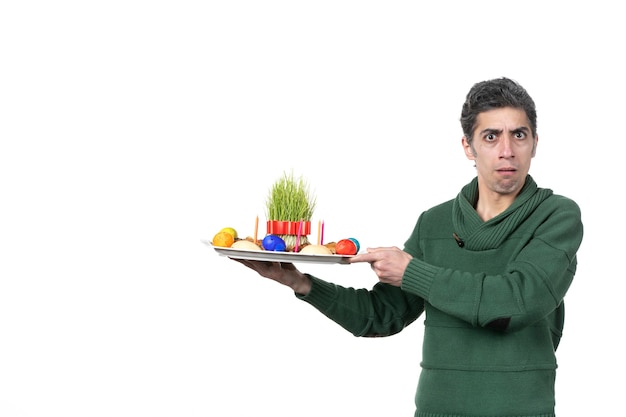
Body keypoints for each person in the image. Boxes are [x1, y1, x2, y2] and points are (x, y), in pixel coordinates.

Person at [233, 77, 584, 417]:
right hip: (436, 410)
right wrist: (301, 283)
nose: (506, 151)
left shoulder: (557, 216)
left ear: (535, 143)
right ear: (468, 146)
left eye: (518, 135)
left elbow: (514, 303)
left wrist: (411, 271)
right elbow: (382, 315)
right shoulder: (434, 223)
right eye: (491, 136)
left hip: (521, 412)